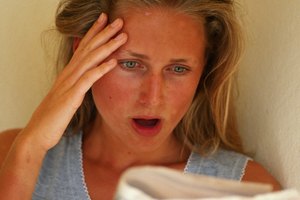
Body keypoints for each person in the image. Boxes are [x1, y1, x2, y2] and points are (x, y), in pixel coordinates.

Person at [0, 0, 281, 199]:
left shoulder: (246, 188)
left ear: (204, 69)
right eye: (132, 65)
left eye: (178, 69)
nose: (153, 98)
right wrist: (30, 148)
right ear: (84, 55)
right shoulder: (10, 156)